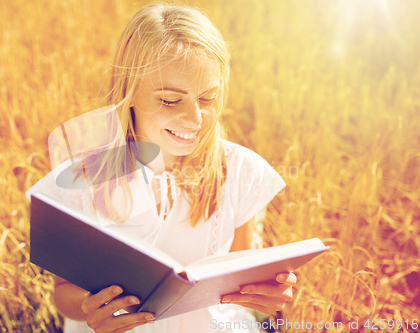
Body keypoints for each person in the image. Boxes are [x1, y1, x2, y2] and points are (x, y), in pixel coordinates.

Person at [25, 3, 296, 332]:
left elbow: (236, 277)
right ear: (129, 91)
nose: (195, 120)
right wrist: (89, 308)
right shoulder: (82, 179)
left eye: (207, 98)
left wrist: (262, 297)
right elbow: (63, 292)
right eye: (170, 100)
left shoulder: (237, 172)